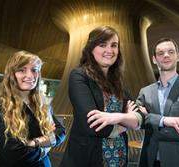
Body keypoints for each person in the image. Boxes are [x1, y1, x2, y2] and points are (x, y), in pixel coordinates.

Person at [60, 26, 142, 167]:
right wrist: (127, 124)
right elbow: (92, 124)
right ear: (91, 48)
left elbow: (141, 116)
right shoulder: (79, 75)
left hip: (119, 157)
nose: (109, 51)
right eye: (102, 45)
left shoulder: (118, 82)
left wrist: (118, 118)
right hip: (88, 157)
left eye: (114, 45)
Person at [0, 51, 65, 167]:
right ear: (11, 74)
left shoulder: (41, 102)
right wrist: (46, 147)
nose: (30, 76)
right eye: (22, 70)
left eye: (34, 70)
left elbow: (60, 131)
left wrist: (34, 142)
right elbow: (14, 154)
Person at [136, 37, 179, 167]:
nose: (166, 55)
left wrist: (151, 119)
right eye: (160, 53)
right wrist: (167, 122)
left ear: (178, 56)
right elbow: (137, 122)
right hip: (150, 160)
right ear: (154, 59)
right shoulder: (144, 92)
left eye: (171, 52)